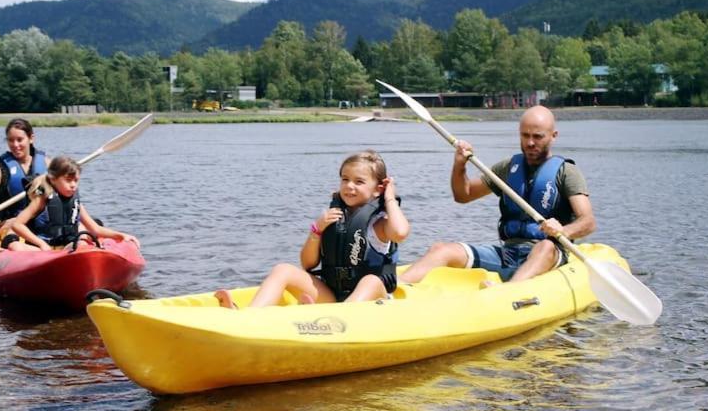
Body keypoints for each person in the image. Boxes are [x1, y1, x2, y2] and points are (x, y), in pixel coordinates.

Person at [400, 105, 595, 284]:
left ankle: (509, 292)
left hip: (548, 253)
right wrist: (459, 165)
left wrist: (563, 230)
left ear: (553, 136)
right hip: (508, 252)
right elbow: (463, 195)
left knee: (544, 247)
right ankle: (392, 289)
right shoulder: (508, 168)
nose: (530, 142)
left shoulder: (567, 172)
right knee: (441, 250)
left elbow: (588, 222)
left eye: (538, 136)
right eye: (525, 135)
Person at [215, 150, 410, 308]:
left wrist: (390, 197)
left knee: (370, 281)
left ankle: (328, 317)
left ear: (378, 189)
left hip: (374, 298)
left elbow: (400, 233)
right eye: (345, 179)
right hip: (333, 294)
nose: (349, 186)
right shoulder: (333, 217)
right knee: (283, 269)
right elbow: (308, 264)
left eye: (359, 182)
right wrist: (317, 229)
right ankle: (250, 316)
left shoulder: (380, 222)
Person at [2, 155, 139, 252]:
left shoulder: (75, 201)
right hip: (42, 248)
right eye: (68, 180)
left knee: (83, 242)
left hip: (67, 246)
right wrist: (42, 245)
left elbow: (95, 229)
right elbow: (17, 224)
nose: (73, 185)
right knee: (15, 247)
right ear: (53, 179)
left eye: (76, 180)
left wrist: (121, 235)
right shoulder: (42, 199)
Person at [0, 118, 47, 239]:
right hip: (12, 222)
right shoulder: (0, 169)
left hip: (42, 221)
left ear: (31, 138)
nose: (15, 145)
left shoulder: (46, 163)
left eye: (19, 140)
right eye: (11, 140)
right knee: (14, 233)